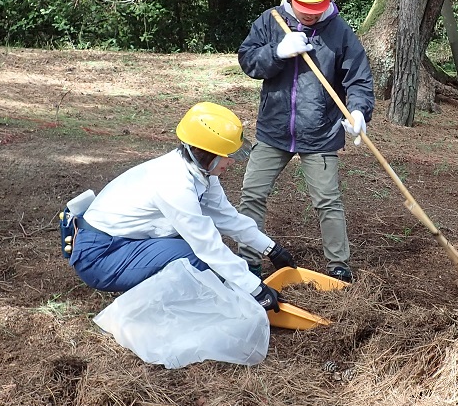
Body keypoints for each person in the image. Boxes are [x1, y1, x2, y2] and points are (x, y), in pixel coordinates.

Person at [60, 102, 296, 311]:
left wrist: (271, 249)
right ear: (207, 155)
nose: (232, 161)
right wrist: (255, 290)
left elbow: (227, 218)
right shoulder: (173, 182)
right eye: (228, 155)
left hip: (126, 242)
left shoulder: (202, 174)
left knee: (197, 253)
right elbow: (206, 245)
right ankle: (176, 314)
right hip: (100, 255)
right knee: (192, 257)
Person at [237, 0, 375, 282]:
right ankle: (248, 263)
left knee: (328, 200)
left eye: (317, 8)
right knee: (252, 194)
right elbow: (248, 60)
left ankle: (339, 267)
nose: (311, 15)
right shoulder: (270, 21)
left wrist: (358, 110)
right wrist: (277, 52)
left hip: (322, 132)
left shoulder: (339, 31)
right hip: (274, 129)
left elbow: (358, 79)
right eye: (304, 8)